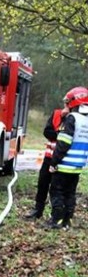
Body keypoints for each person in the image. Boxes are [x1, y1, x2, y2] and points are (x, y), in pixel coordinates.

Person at [47, 86, 88, 229]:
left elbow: (63, 143)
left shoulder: (72, 119)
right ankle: (67, 220)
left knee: (56, 191)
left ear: (73, 102)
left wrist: (54, 162)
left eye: (67, 102)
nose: (66, 105)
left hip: (64, 165)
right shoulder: (86, 120)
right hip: (77, 167)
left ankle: (56, 220)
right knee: (70, 194)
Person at [25, 101, 69, 219]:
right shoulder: (57, 114)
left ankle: (58, 215)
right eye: (66, 104)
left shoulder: (74, 119)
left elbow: (70, 137)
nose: (66, 106)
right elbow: (47, 132)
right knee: (42, 183)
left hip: (63, 159)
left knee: (57, 188)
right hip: (49, 157)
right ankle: (38, 210)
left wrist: (58, 134)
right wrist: (60, 133)